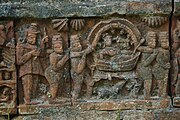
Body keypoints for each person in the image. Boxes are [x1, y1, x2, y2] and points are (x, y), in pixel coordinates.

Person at [16, 23, 47, 104]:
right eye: (31, 37)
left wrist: (43, 44)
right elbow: (19, 61)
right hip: (26, 70)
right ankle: (27, 100)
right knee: (28, 85)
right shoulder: (21, 46)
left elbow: (42, 55)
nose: (33, 40)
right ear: (26, 36)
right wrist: (30, 54)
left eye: (35, 38)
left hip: (36, 69)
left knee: (35, 85)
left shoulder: (36, 46)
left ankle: (33, 99)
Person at [45, 34, 69, 99]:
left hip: (59, 73)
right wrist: (64, 59)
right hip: (52, 72)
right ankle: (52, 98)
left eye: (60, 46)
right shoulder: (53, 55)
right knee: (54, 85)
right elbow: (54, 68)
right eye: (56, 47)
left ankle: (58, 96)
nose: (59, 49)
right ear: (53, 48)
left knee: (60, 84)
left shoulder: (63, 54)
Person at [70, 34, 93, 102]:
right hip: (77, 74)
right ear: (72, 47)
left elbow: (85, 52)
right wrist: (84, 56)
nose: (79, 46)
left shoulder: (80, 53)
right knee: (77, 87)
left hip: (84, 72)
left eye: (79, 44)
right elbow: (78, 70)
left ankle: (88, 97)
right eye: (76, 45)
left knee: (90, 83)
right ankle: (75, 99)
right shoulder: (74, 57)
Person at [137, 32, 158, 99]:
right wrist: (153, 55)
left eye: (155, 40)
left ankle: (147, 93)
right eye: (151, 41)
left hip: (147, 68)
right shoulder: (146, 51)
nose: (154, 42)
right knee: (148, 80)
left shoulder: (149, 50)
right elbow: (145, 63)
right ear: (147, 41)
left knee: (147, 81)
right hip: (144, 68)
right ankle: (147, 96)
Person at [152, 32, 170, 98]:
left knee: (163, 82)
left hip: (163, 68)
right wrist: (164, 66)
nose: (166, 43)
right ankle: (160, 94)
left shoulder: (167, 50)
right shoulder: (159, 50)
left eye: (167, 41)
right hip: (158, 68)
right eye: (163, 42)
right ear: (159, 42)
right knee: (160, 82)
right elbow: (159, 60)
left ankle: (162, 93)